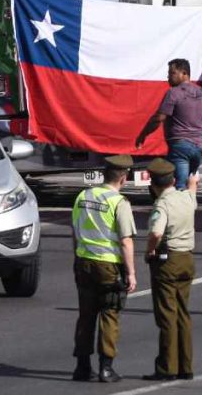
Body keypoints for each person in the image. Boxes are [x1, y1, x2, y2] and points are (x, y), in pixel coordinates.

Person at [70, 155, 137, 383]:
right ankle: (106, 368)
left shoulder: (83, 196)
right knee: (109, 314)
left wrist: (78, 257)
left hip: (84, 262)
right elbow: (126, 241)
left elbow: (75, 231)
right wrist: (131, 273)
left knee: (86, 316)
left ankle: (82, 367)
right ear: (124, 178)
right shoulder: (119, 202)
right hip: (108, 266)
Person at [136, 59, 202, 194]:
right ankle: (189, 203)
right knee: (190, 182)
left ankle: (180, 205)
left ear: (184, 73)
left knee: (180, 186)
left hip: (180, 146)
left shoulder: (174, 93)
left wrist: (143, 135)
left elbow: (159, 118)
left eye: (172, 73)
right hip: (199, 147)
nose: (168, 77)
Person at [143, 159, 196, 381]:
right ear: (173, 180)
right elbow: (192, 190)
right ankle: (186, 366)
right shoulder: (186, 198)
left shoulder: (162, 205)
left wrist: (149, 251)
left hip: (169, 261)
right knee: (183, 313)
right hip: (187, 259)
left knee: (167, 315)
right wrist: (192, 182)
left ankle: (167, 367)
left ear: (153, 185)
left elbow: (156, 232)